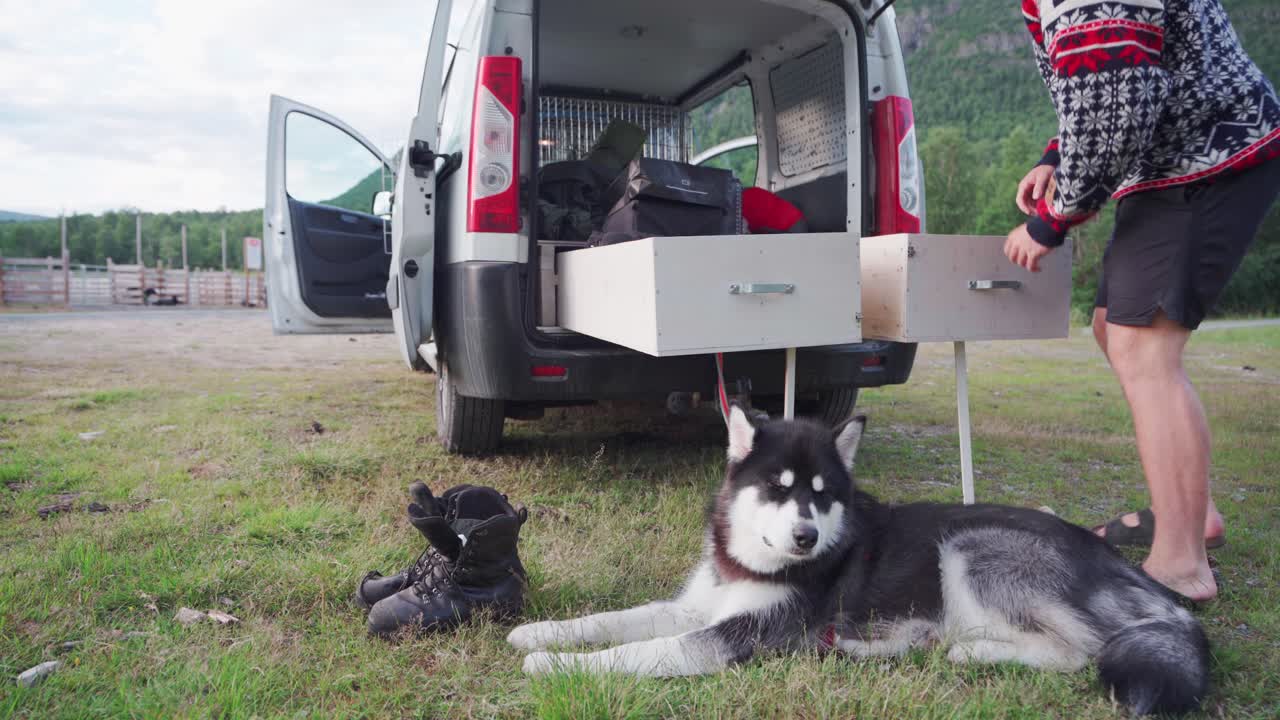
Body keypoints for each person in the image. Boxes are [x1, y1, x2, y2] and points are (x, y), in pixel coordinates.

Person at [1003, 0, 1280, 601]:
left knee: (1144, 346)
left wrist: (1052, 221)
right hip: (1174, 160)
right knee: (1112, 326)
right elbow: (1109, 78)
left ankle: (1180, 564)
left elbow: (1116, 112)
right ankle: (1193, 517)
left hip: (1206, 159)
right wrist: (1057, 155)